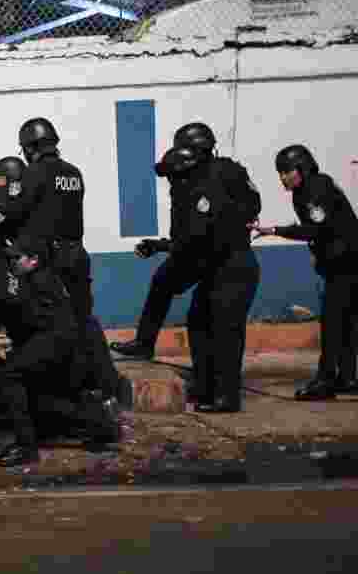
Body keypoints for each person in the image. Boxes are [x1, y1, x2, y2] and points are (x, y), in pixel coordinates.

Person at [0, 118, 130, 410]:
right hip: (76, 254)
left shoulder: (35, 173)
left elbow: (13, 209)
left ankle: (74, 392)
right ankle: (108, 384)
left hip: (52, 258)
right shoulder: (73, 173)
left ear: (30, 147)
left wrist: (2, 187)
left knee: (60, 327)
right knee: (85, 320)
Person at [111, 123, 261, 363]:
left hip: (215, 255)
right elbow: (189, 234)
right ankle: (145, 344)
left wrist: (163, 246)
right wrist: (162, 245)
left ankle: (212, 380)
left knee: (208, 317)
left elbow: (200, 234)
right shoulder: (191, 177)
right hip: (198, 249)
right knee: (163, 281)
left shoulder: (211, 177)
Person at [0, 243, 122, 467]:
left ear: (33, 260)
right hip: (61, 345)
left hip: (58, 344)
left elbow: (17, 318)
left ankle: (26, 447)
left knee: (9, 375)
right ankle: (101, 425)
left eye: (17, 258)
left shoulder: (38, 280)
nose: (12, 263)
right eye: (10, 259)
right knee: (39, 397)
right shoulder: (34, 276)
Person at [154, 145, 260, 413]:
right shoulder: (194, 194)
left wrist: (172, 258)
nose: (170, 182)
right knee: (199, 321)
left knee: (225, 332)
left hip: (234, 268)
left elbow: (197, 239)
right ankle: (205, 386)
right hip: (216, 269)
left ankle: (226, 396)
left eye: (173, 176)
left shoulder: (207, 192)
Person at [253, 145, 358, 400]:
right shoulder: (313, 187)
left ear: (301, 168)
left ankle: (326, 380)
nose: (283, 178)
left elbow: (316, 229)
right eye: (280, 173)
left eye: (286, 171)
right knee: (346, 323)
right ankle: (347, 377)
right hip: (346, 264)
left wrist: (276, 230)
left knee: (333, 323)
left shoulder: (313, 189)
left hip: (346, 266)